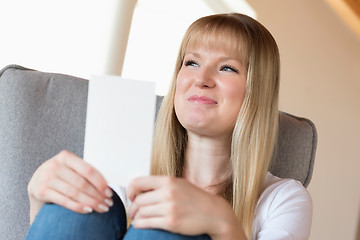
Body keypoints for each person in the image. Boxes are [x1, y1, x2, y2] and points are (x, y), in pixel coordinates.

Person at [25, 13, 312, 240]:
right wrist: (37, 198)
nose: (201, 79)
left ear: (256, 91)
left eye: (227, 68)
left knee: (164, 226)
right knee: (84, 209)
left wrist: (223, 223)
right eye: (191, 62)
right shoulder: (123, 174)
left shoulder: (282, 199)